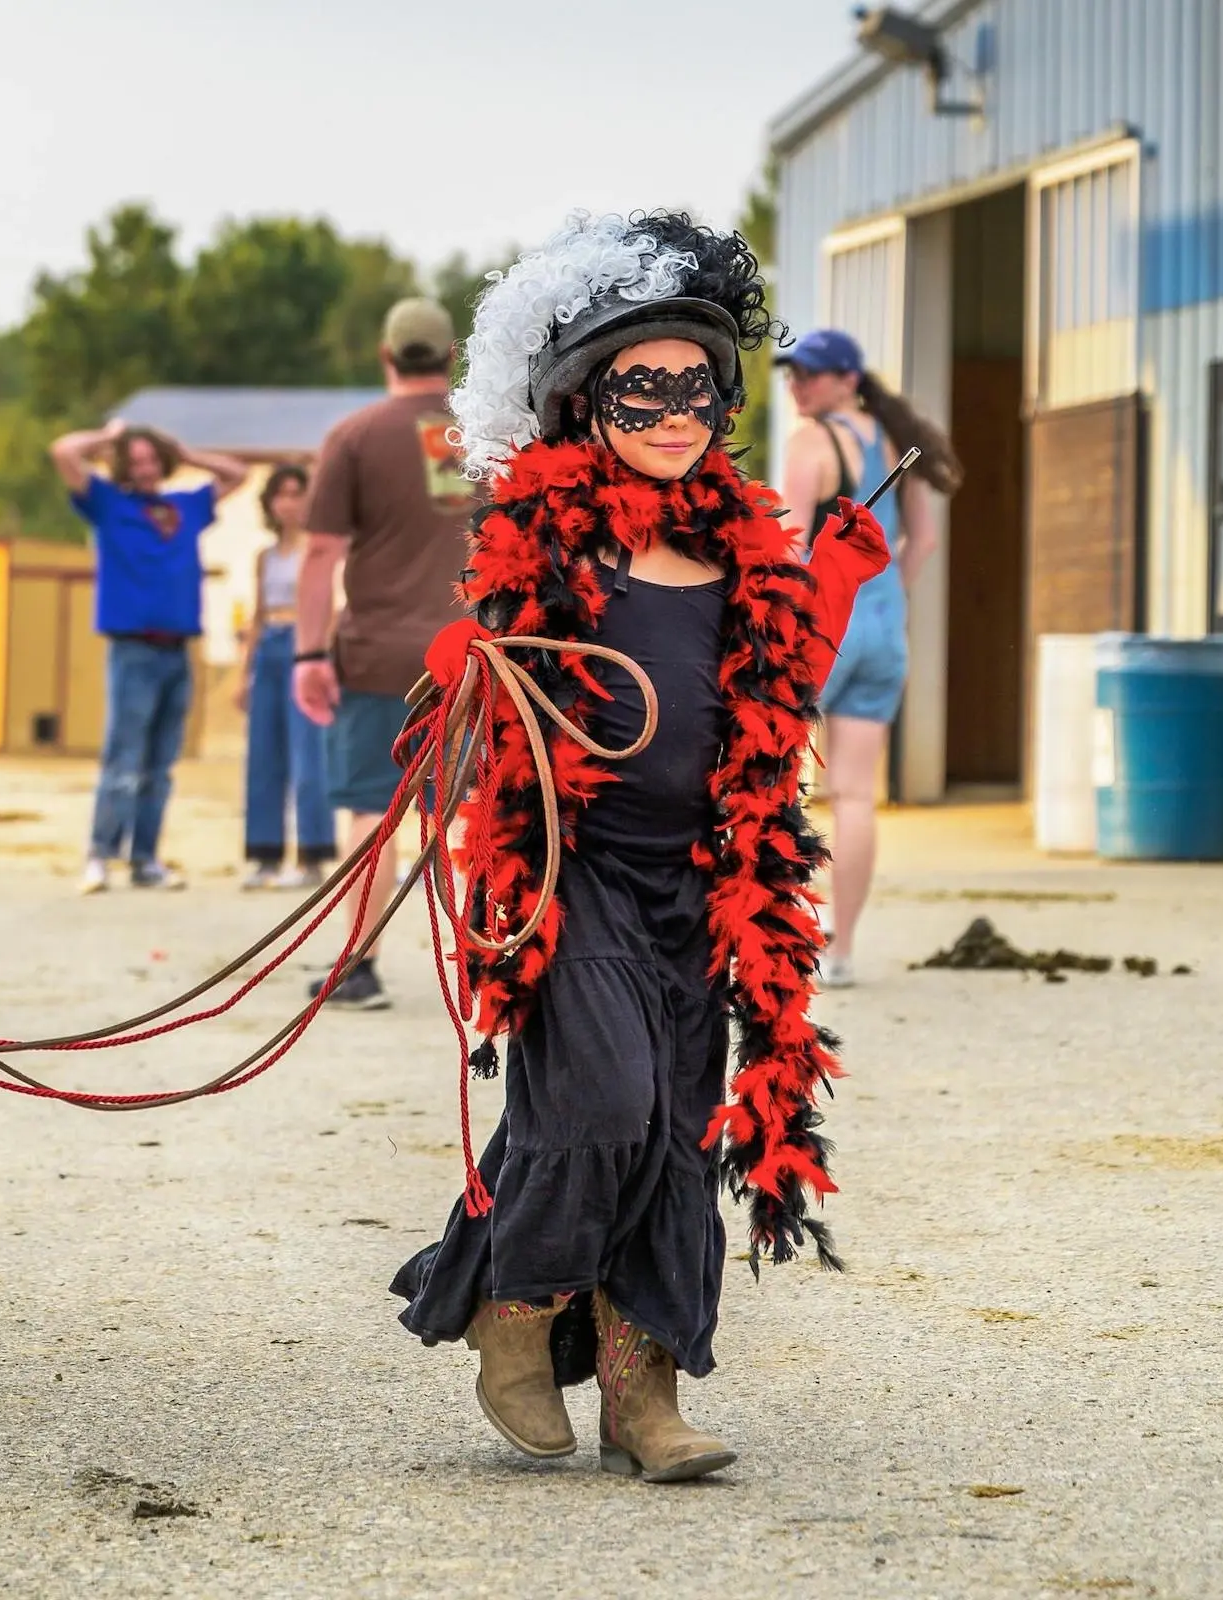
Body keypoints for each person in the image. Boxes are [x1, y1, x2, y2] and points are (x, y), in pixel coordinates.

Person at [389, 212, 890, 1483]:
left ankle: (642, 1391)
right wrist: (466, 664)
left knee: (675, 1130)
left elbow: (772, 718)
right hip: (576, 877)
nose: (675, 410)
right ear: (585, 405)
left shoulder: (740, 550)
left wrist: (821, 593)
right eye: (643, 387)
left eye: (697, 387)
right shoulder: (550, 541)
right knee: (597, 1101)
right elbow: (484, 697)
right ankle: (516, 1309)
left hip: (704, 885)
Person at [292, 298, 476, 1008]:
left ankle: (359, 967)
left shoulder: (354, 434)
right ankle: (481, 962)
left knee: (372, 807)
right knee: (468, 810)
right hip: (473, 656)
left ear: (386, 356)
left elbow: (318, 553)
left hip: (375, 656)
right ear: (451, 358)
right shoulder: (491, 436)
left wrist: (308, 654)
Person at [776, 329, 961, 988]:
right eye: (793, 375)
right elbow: (924, 540)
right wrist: (885, 599)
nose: (799, 387)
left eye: (813, 375)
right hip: (884, 631)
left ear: (848, 378)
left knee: (772, 782)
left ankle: (774, 939)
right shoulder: (892, 440)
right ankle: (840, 951)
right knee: (854, 794)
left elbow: (790, 549)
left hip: (824, 633)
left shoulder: (809, 444)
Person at [50, 419, 249, 893]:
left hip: (178, 650)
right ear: (123, 464)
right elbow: (63, 452)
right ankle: (100, 855)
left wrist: (187, 452)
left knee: (160, 765)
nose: (144, 468)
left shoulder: (186, 506)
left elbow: (236, 475)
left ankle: (144, 860)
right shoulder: (108, 503)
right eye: (135, 460)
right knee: (123, 760)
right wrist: (108, 437)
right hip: (132, 649)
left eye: (151, 459)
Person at [236, 464, 337, 889]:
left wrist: (323, 658)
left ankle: (312, 853)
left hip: (304, 645)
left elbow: (330, 607)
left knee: (308, 755)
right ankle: (264, 854)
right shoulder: (264, 556)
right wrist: (244, 672)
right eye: (281, 494)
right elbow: (257, 615)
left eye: (297, 494)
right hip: (269, 650)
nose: (288, 503)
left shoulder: (318, 551)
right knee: (263, 754)